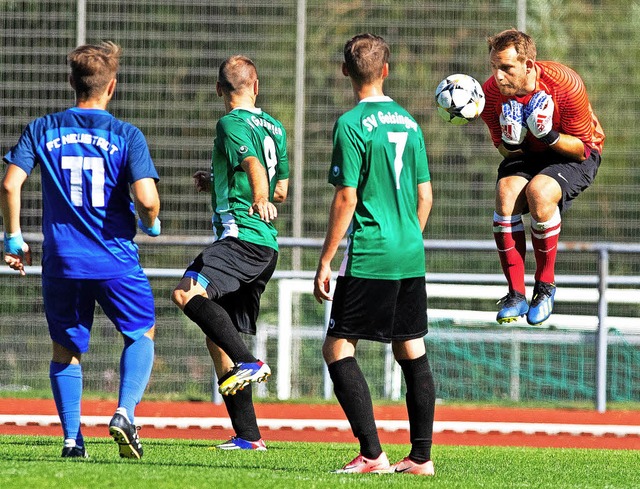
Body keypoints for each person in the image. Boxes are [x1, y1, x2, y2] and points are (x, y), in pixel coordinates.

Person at [1, 41, 161, 459]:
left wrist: (13, 237)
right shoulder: (127, 135)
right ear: (112, 87)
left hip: (62, 260)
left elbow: (9, 184)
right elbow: (146, 199)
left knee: (65, 350)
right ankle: (124, 412)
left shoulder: (42, 128)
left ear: (72, 83)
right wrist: (151, 220)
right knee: (141, 331)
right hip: (114, 259)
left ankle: (73, 440)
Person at [313, 34, 435, 476]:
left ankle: (372, 454)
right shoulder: (410, 122)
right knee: (411, 348)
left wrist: (325, 260)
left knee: (338, 347)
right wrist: (407, 237)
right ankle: (421, 458)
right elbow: (426, 196)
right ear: (386, 70)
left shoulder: (350, 124)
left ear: (345, 71)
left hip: (371, 252)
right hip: (410, 251)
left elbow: (346, 198)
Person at [171, 55, 289, 451]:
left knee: (186, 293)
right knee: (218, 338)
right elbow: (282, 189)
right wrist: (217, 180)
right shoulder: (275, 126)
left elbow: (254, 167)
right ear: (256, 86)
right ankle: (249, 436)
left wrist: (256, 196)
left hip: (241, 237)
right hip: (266, 246)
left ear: (220, 90)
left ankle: (250, 361)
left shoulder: (229, 122)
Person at [481, 29, 605, 325]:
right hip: (528, 151)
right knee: (506, 194)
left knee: (540, 192)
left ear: (528, 65)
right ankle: (515, 294)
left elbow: (581, 150)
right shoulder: (490, 94)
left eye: (506, 68)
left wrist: (547, 135)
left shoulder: (565, 84)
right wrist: (512, 142)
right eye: (494, 68)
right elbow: (505, 151)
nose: (498, 77)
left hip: (571, 151)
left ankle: (545, 287)